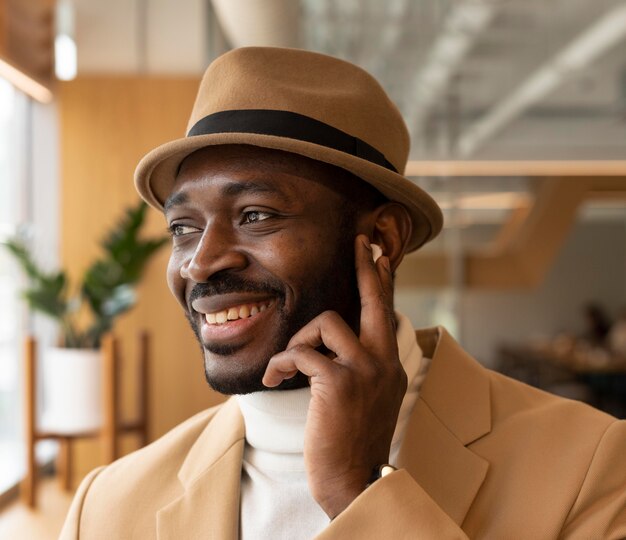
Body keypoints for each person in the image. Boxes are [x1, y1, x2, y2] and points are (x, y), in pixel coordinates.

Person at [60, 47, 626, 539]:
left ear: (381, 239)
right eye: (183, 228)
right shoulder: (107, 507)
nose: (202, 262)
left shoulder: (590, 465)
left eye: (256, 215)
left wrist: (358, 494)